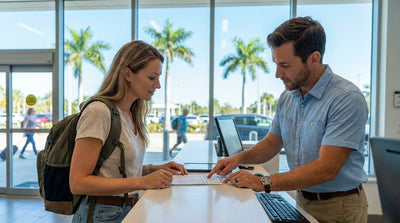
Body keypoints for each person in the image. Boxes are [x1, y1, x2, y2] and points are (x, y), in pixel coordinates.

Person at [208, 16, 368, 223]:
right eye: (275, 64)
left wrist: (263, 182)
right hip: (302, 198)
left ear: (314, 58)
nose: (277, 74)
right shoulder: (288, 96)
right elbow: (272, 143)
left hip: (339, 207)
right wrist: (239, 158)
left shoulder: (345, 98)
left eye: (285, 65)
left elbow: (327, 168)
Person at [69, 40, 188, 223]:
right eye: (151, 77)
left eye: (158, 78)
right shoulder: (99, 112)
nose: (158, 85)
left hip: (129, 209)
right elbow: (78, 182)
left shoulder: (130, 113)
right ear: (127, 74)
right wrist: (143, 182)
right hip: (102, 215)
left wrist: (151, 170)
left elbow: (113, 171)